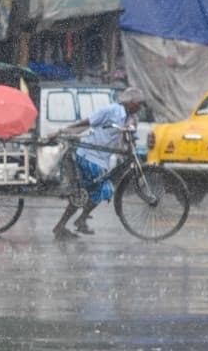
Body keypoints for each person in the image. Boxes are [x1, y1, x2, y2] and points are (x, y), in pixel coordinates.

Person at [49, 87, 145, 239]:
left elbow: (129, 137)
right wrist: (62, 131)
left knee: (96, 192)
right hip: (89, 155)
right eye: (139, 103)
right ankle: (69, 224)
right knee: (94, 192)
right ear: (130, 102)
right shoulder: (111, 110)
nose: (140, 107)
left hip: (102, 159)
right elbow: (88, 122)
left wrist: (130, 137)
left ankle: (73, 222)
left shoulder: (132, 118)